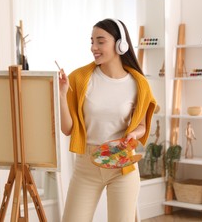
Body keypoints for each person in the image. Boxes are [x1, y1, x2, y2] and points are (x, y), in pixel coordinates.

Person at [58, 18, 157, 222]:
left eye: (100, 41)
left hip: (122, 165)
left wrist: (133, 134)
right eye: (92, 41)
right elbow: (68, 129)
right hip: (87, 166)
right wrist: (61, 94)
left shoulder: (138, 84)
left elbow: (142, 126)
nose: (94, 47)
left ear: (120, 44)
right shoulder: (79, 78)